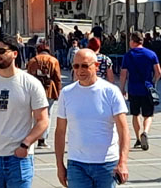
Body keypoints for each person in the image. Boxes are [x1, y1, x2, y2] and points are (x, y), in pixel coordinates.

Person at [0, 34, 50, 188]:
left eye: (1, 51)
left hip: (19, 158)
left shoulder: (30, 83)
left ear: (14, 53)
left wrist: (25, 145)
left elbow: (43, 120)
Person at [55, 49, 129, 188]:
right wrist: (59, 165)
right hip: (77, 164)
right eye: (76, 66)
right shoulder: (66, 93)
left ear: (96, 65)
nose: (80, 70)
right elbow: (60, 131)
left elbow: (123, 129)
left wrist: (123, 162)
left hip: (106, 164)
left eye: (85, 66)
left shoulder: (110, 91)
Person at [119, 31, 161, 151]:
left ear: (132, 41)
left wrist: (122, 88)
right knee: (148, 114)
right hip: (147, 89)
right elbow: (158, 72)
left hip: (133, 88)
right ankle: (145, 132)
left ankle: (138, 138)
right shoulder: (151, 54)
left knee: (135, 114)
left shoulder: (128, 55)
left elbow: (123, 75)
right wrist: (153, 82)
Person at [26, 39, 62, 149]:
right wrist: (59, 93)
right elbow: (57, 78)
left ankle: (32, 137)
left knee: (34, 115)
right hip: (49, 90)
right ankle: (42, 139)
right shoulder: (53, 60)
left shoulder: (33, 61)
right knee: (48, 114)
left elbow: (28, 77)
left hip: (35, 90)